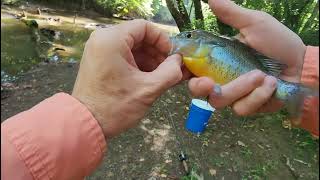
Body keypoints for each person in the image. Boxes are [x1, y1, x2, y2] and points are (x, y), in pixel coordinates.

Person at [1, 0, 318, 179]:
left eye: (188, 35)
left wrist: (300, 66)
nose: (180, 40)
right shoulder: (195, 55)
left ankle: (293, 94)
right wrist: (303, 64)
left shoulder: (205, 49)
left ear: (199, 42)